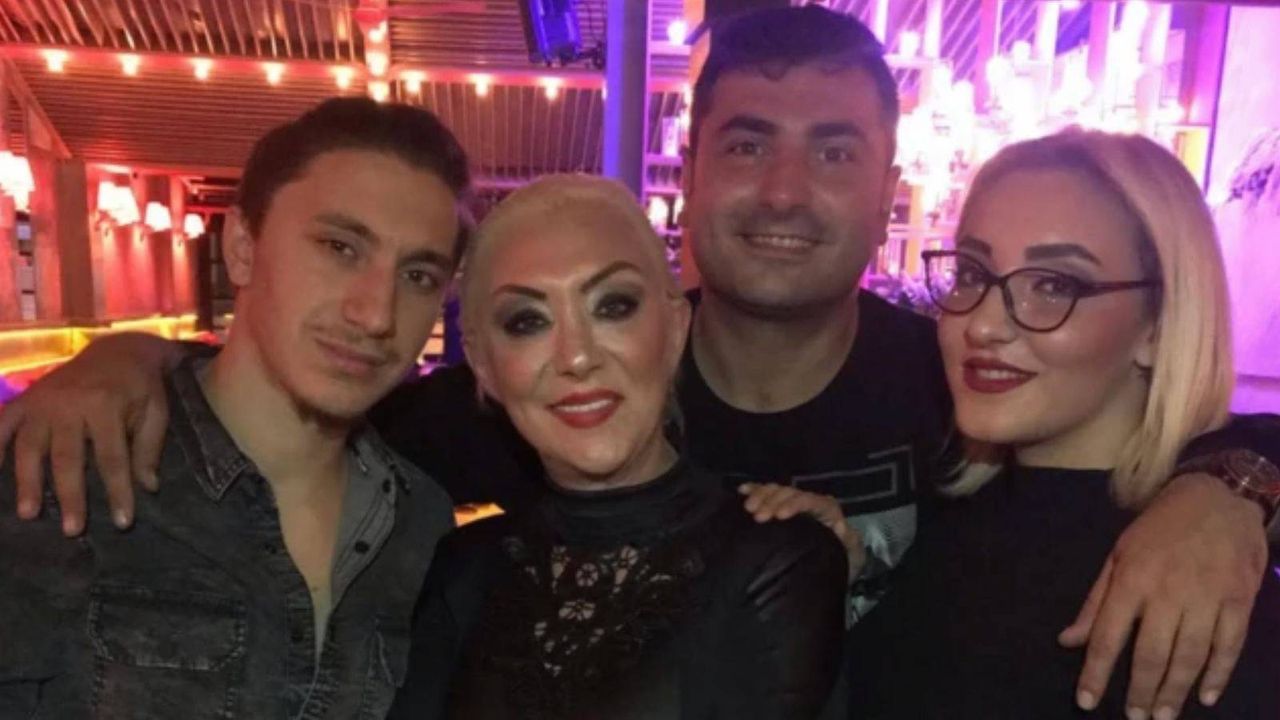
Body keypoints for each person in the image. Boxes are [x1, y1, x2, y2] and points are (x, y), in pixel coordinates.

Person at [2, 6, 1277, 717]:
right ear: (692, 168)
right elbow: (313, 374)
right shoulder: (487, 449)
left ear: (890, 180)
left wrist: (1230, 486)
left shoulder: (953, 387)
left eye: (834, 151)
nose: (785, 191)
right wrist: (130, 357)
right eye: (748, 144)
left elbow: (1130, 430)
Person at [0, 97, 465, 717]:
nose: (377, 314)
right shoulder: (59, 467)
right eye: (339, 247)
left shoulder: (420, 521)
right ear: (242, 246)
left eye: (418, 276)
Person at [848, 130, 1280, 719]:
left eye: (1054, 285)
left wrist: (1238, 491)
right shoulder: (944, 489)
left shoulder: (1192, 585)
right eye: (972, 273)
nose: (984, 325)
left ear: (1157, 326)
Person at [388, 174, 847, 718]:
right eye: (527, 321)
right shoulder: (463, 567)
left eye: (613, 306)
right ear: (484, 365)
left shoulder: (779, 561)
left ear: (673, 330)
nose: (577, 356)